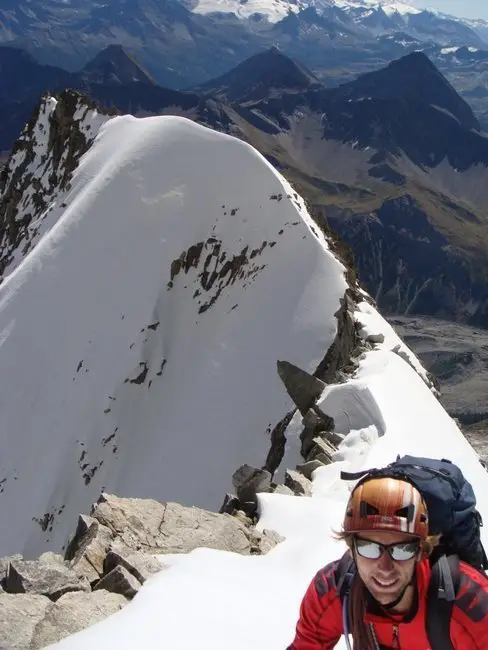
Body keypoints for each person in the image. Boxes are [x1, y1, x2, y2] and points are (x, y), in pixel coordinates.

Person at [287, 476, 488, 649]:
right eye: (369, 548)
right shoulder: (333, 592)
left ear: (421, 552)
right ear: (352, 549)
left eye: (402, 550)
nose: (384, 567)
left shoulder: (471, 603)